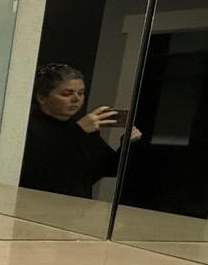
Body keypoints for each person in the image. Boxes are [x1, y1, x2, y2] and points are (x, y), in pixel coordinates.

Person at [19, 63, 140, 198]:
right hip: (34, 205)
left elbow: (111, 168)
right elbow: (39, 169)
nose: (76, 99)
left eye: (81, 93)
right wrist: (78, 131)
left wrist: (127, 144)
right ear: (41, 97)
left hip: (77, 209)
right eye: (67, 94)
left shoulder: (82, 129)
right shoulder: (25, 128)